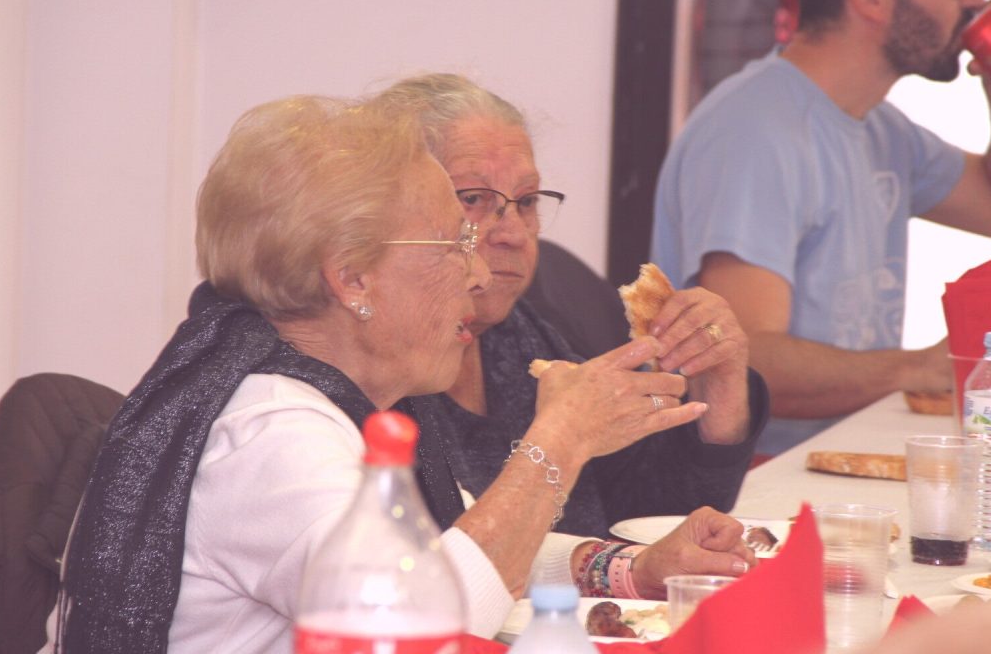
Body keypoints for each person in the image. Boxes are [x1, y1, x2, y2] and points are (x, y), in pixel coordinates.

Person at [57, 94, 756, 653]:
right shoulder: (274, 439)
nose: (479, 271)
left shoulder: (352, 395)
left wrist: (632, 569)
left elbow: (460, 546)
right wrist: (559, 443)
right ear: (352, 279)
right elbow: (418, 624)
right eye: (454, 242)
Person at [651, 0, 991, 454]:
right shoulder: (755, 132)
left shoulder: (880, 129)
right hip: (759, 478)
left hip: (837, 458)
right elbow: (744, 361)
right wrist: (921, 367)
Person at [376, 73, 770, 540]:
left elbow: (654, 515)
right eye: (473, 199)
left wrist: (718, 387)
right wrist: (561, 440)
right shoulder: (377, 375)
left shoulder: (526, 336)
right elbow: (440, 562)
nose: (513, 233)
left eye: (526, 201)